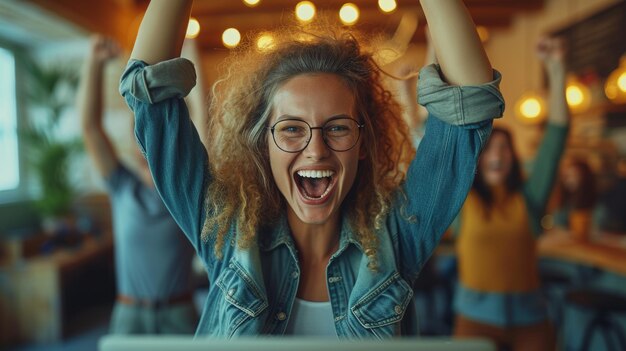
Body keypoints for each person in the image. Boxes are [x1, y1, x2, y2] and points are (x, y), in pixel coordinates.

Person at [119, 0, 504, 337]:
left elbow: (468, 108)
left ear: (364, 144)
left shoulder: (398, 238)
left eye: (337, 127)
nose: (315, 150)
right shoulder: (226, 231)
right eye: (290, 129)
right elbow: (151, 99)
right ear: (263, 144)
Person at [451, 37, 569, 351]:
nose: (497, 155)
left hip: (530, 318)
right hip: (473, 317)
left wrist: (556, 69)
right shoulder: (464, 199)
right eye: (489, 148)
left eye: (505, 148)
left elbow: (555, 138)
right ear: (478, 158)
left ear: (513, 158)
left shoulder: (528, 198)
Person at [77, 35, 198, 334]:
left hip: (179, 313)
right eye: (140, 130)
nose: (147, 138)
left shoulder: (187, 187)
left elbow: (202, 120)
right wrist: (93, 62)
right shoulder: (122, 184)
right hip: (129, 314)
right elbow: (90, 127)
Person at [553, 157, 597, 240]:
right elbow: (558, 224)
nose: (571, 180)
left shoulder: (592, 201)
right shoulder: (563, 200)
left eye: (575, 175)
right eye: (568, 176)